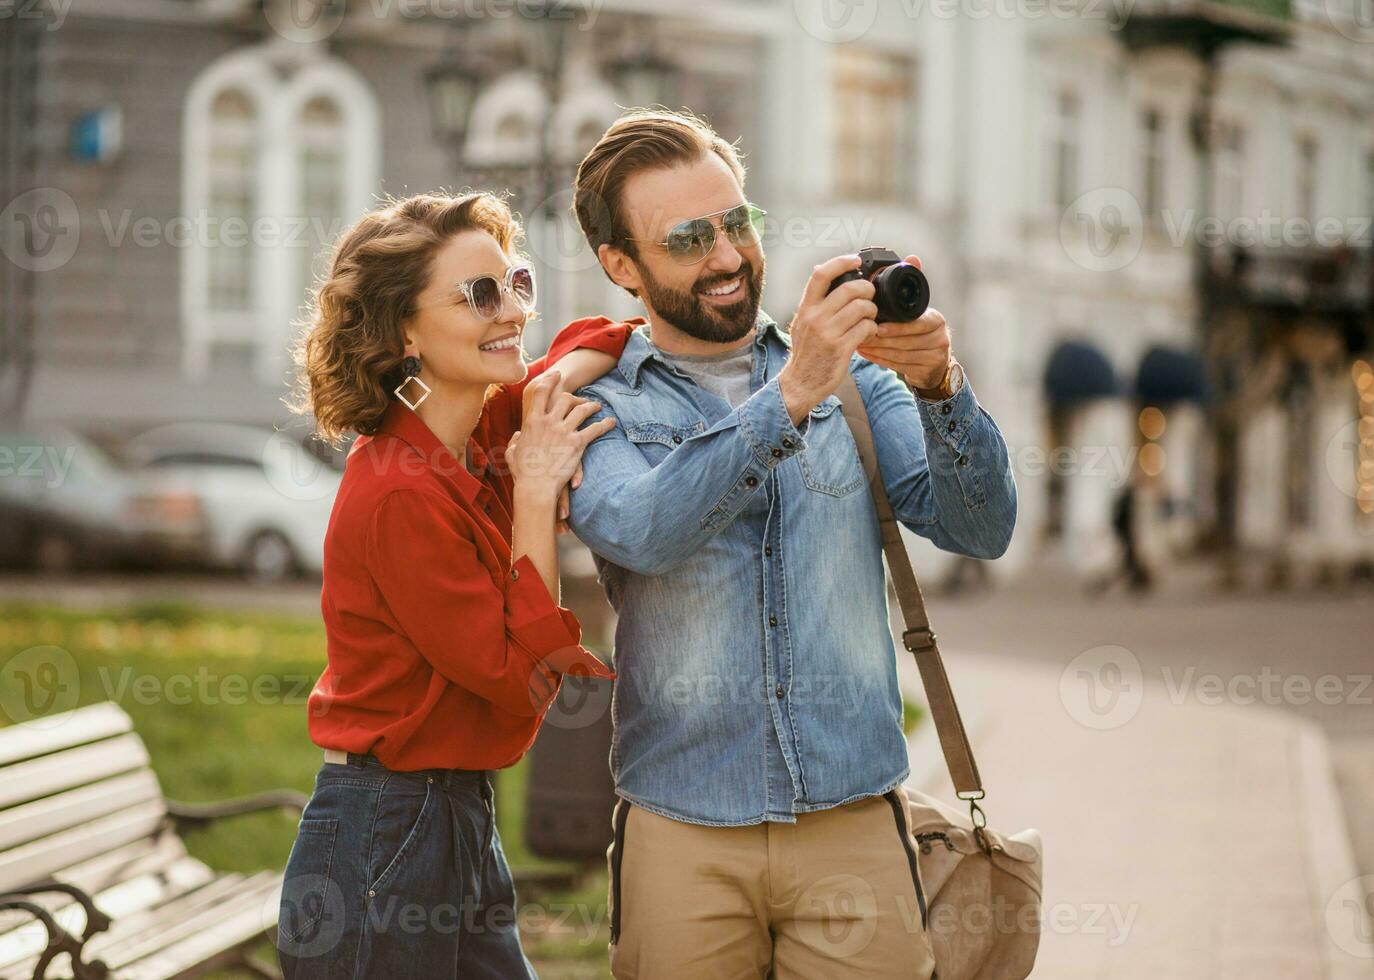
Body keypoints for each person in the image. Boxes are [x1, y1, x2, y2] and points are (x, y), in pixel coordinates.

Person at [563, 110, 1019, 978]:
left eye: (737, 223)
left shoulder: (857, 377)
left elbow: (980, 529)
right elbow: (648, 532)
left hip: (854, 823)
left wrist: (940, 387)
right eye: (689, 238)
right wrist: (794, 389)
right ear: (621, 265)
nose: (729, 256)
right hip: (680, 832)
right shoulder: (599, 404)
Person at [276, 191, 635, 979]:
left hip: (452, 813)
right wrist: (536, 491)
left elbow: (607, 336)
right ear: (405, 329)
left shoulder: (476, 436)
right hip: (386, 827)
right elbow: (520, 677)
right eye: (479, 295)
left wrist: (551, 384)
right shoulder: (401, 491)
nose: (512, 311)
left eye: (518, 284)